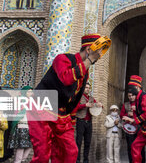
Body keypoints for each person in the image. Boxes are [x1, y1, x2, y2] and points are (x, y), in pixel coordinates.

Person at [27, 33, 107, 163]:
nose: (99, 57)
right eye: (97, 53)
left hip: (61, 113)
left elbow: (75, 98)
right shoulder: (63, 59)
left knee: (70, 151)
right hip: (40, 107)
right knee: (42, 154)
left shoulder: (85, 72)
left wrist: (72, 119)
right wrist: (90, 60)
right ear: (88, 50)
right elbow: (66, 78)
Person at [75, 83, 103, 163]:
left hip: (89, 123)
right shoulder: (79, 97)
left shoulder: (91, 98)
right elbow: (75, 107)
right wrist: (85, 105)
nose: (87, 89)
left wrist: (100, 104)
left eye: (88, 88)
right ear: (83, 88)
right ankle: (77, 160)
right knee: (79, 142)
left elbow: (98, 105)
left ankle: (86, 160)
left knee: (87, 142)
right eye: (86, 87)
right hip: (80, 121)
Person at [8, 86, 33, 163]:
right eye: (29, 91)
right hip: (21, 125)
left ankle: (22, 160)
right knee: (21, 146)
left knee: (31, 145)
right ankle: (17, 161)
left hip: (30, 127)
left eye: (31, 92)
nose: (31, 93)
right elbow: (17, 112)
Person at [120, 92, 145, 163]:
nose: (131, 97)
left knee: (140, 147)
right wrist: (127, 114)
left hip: (139, 128)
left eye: (132, 95)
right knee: (130, 147)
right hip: (129, 129)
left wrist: (135, 113)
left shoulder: (140, 104)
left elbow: (145, 114)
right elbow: (121, 115)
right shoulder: (126, 104)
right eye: (129, 96)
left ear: (135, 96)